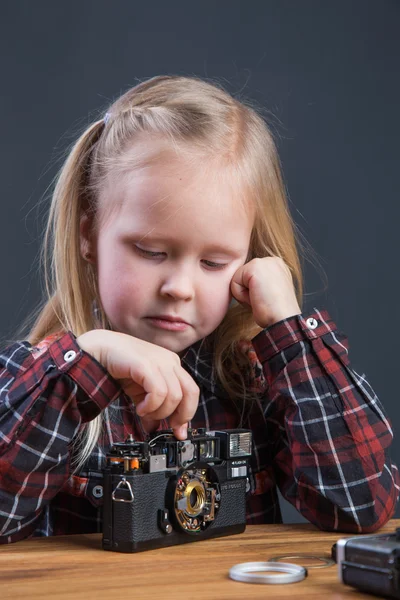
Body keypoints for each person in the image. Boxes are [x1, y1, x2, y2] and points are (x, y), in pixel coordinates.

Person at [0, 75, 398, 545]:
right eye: (149, 251)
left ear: (249, 259)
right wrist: (84, 366)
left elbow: (360, 506)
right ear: (88, 236)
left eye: (213, 262)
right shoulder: (36, 385)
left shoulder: (252, 381)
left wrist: (290, 333)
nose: (179, 288)